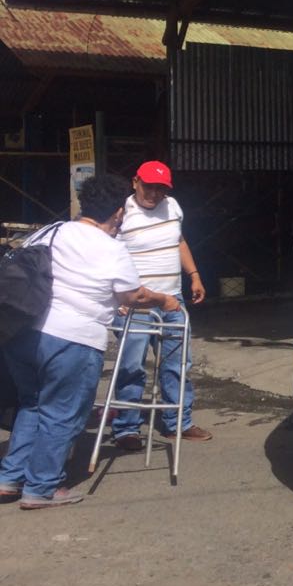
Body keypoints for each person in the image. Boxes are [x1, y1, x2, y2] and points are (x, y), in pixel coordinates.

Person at [0, 174, 178, 509]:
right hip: (72, 339)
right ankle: (42, 487)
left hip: (23, 335)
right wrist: (163, 300)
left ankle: (9, 477)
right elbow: (133, 295)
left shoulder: (51, 230)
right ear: (117, 213)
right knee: (62, 413)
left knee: (32, 404)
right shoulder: (112, 249)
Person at [110, 161, 211, 449]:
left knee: (177, 363)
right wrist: (115, 297)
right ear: (135, 182)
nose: (154, 194)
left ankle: (178, 422)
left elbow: (179, 241)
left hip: (172, 300)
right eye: (148, 186)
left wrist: (194, 275)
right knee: (132, 365)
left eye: (161, 188)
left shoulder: (173, 206)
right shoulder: (121, 213)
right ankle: (127, 428)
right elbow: (104, 253)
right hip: (136, 303)